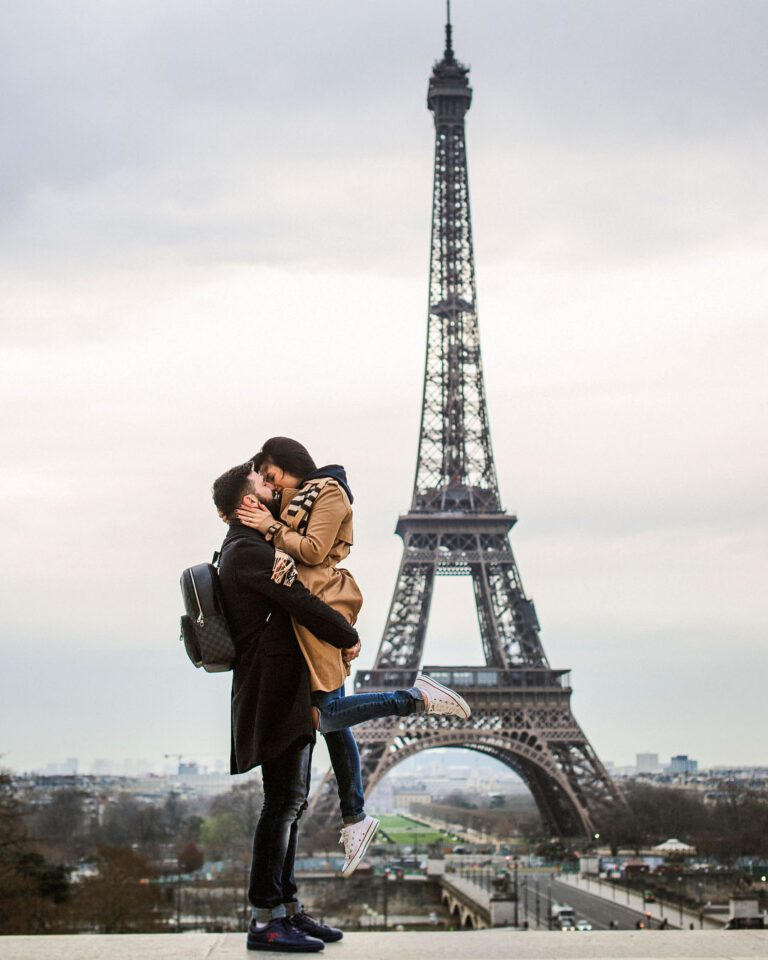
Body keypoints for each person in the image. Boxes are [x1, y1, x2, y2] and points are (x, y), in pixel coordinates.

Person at [213, 462, 471, 951]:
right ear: (245, 504)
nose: (273, 490)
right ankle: (266, 918)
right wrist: (348, 636)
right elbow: (300, 601)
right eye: (263, 486)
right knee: (281, 806)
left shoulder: (251, 547)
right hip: (275, 694)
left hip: (284, 689)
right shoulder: (247, 551)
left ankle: (286, 910)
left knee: (289, 803)